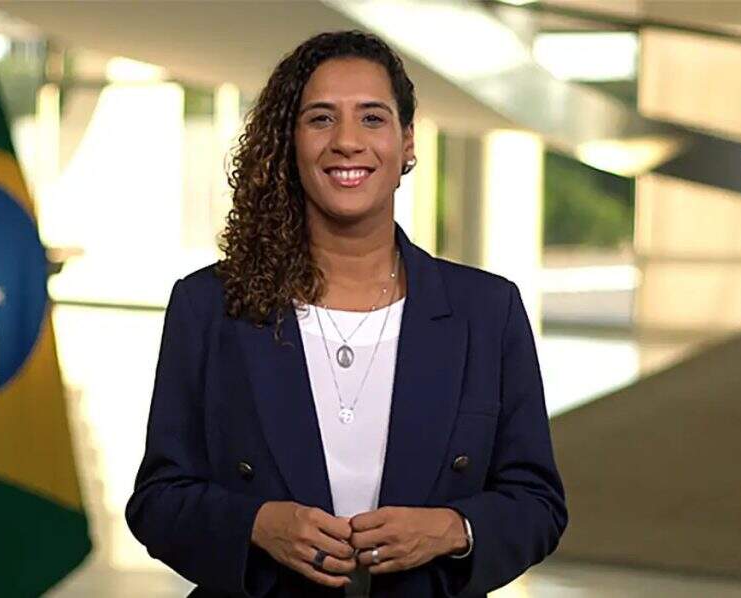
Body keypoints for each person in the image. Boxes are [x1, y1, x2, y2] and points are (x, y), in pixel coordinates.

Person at [126, 30, 567, 598]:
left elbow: (537, 503)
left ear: (407, 142)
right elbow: (158, 501)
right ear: (290, 141)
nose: (347, 142)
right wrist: (256, 524)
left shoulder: (487, 311)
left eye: (372, 118)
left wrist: (451, 529)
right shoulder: (210, 306)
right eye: (321, 119)